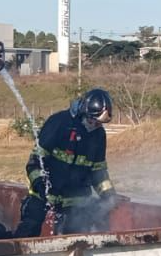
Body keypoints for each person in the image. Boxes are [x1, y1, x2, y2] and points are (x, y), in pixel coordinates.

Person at [14, 89, 117, 237]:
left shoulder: (99, 135)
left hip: (76, 201)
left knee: (77, 241)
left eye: (99, 123)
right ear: (83, 112)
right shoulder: (59, 123)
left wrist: (109, 196)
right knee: (28, 231)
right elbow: (34, 163)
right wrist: (40, 185)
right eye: (92, 121)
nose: (95, 126)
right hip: (43, 195)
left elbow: (98, 171)